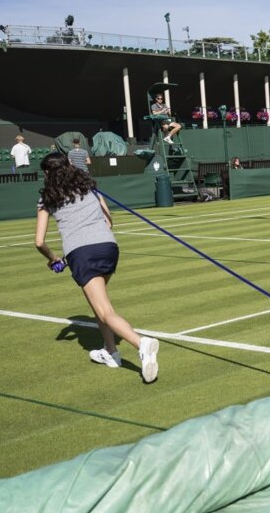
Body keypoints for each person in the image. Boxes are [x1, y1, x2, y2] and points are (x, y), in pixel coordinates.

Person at [34, 152, 159, 382]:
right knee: (100, 305)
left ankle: (141, 344)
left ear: (47, 173)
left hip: (82, 254)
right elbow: (108, 220)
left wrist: (53, 259)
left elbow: (39, 242)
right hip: (109, 248)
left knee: (104, 311)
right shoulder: (88, 187)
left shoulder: (47, 198)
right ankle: (111, 352)